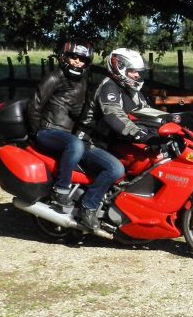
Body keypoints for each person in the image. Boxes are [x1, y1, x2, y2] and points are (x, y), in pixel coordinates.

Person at [27, 39, 125, 230]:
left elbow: (82, 109)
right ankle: (60, 189)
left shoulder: (83, 80)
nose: (78, 62)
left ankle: (88, 207)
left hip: (73, 138)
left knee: (115, 168)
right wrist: (35, 133)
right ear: (65, 57)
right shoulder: (55, 77)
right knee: (75, 144)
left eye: (82, 58)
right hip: (49, 131)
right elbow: (34, 105)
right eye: (74, 57)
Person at [76, 47, 159, 147]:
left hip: (113, 140)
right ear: (120, 69)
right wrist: (139, 134)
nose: (137, 75)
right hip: (91, 141)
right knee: (115, 164)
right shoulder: (108, 86)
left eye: (138, 71)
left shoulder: (130, 88)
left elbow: (145, 110)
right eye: (133, 71)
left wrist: (167, 121)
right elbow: (113, 115)